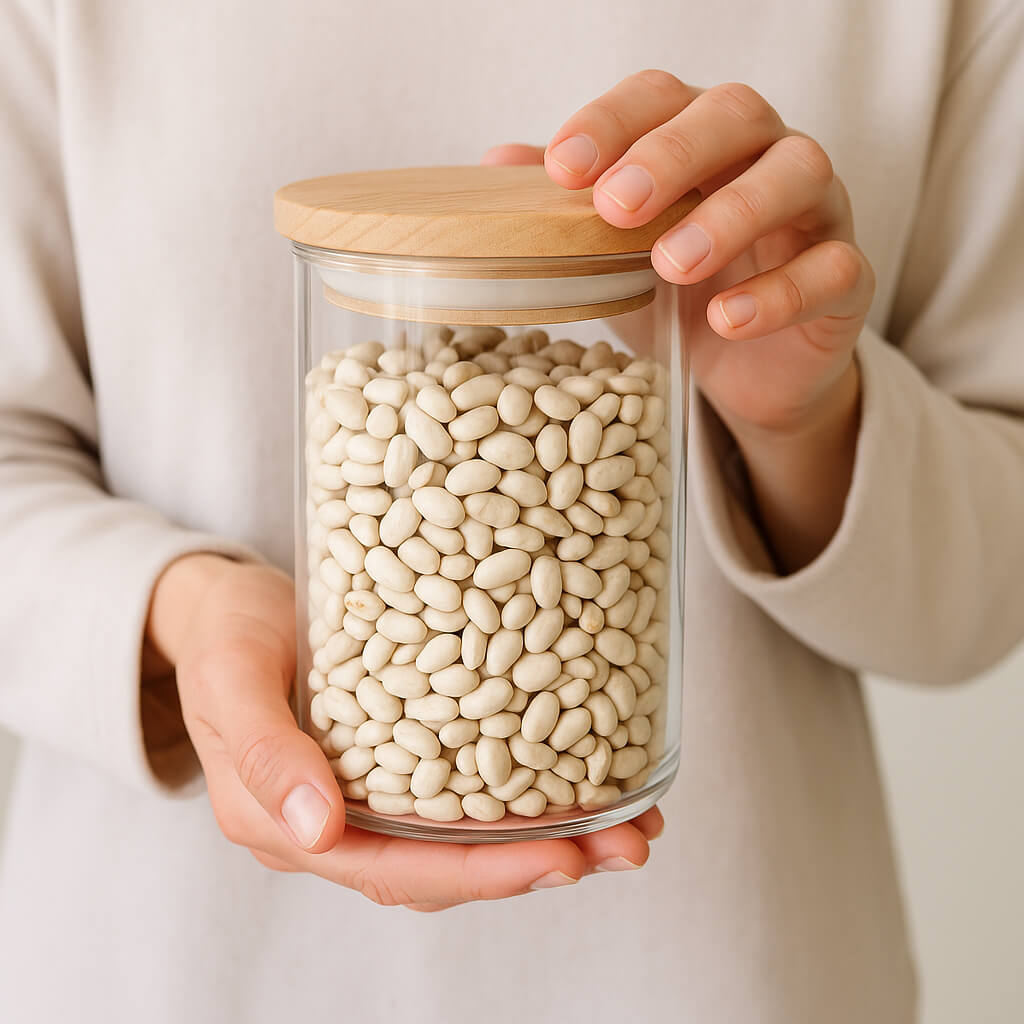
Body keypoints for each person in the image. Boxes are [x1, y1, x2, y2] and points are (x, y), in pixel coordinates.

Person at [1, 1, 1021, 1021]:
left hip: (716, 972)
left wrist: (807, 422)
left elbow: (990, 581)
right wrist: (180, 609)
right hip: (162, 965)